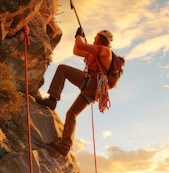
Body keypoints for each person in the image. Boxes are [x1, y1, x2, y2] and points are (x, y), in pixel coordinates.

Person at [36, 27, 114, 156]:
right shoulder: (96, 52)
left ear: (102, 39)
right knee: (71, 114)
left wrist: (79, 36)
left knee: (63, 69)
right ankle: (65, 146)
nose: (94, 39)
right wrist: (78, 37)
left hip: (92, 84)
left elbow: (80, 45)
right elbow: (77, 50)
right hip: (92, 91)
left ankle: (52, 99)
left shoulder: (105, 51)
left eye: (96, 37)